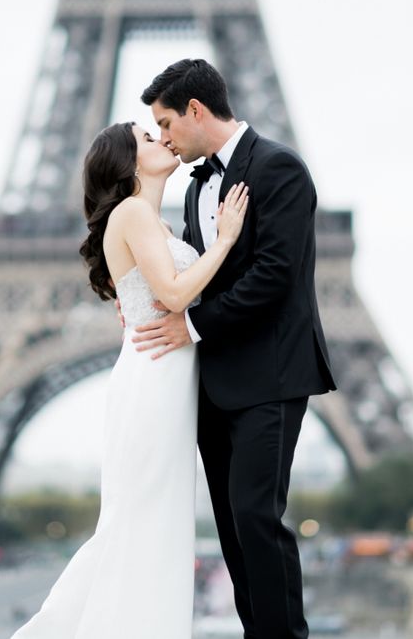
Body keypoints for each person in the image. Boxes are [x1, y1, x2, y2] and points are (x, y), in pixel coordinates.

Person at [9, 121, 249, 639]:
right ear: (128, 163)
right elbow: (176, 293)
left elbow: (163, 291)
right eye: (146, 137)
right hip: (155, 383)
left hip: (162, 380)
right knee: (144, 525)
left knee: (145, 525)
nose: (161, 138)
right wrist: (226, 240)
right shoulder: (135, 213)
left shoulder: (155, 223)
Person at [131, 58, 337, 639]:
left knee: (256, 518)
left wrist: (192, 327)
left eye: (167, 123)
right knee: (232, 528)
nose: (165, 139)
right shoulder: (195, 186)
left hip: (270, 377)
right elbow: (201, 273)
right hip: (214, 384)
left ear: (196, 110)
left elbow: (276, 274)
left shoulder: (279, 169)